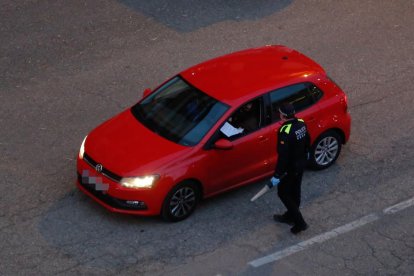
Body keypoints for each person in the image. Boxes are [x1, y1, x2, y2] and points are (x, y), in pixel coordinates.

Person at [270, 103, 310, 234]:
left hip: (291, 167)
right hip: (301, 163)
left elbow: (283, 157)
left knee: (283, 193)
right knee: (295, 190)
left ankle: (299, 222)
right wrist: (307, 152)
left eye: (279, 113)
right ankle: (290, 216)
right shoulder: (301, 122)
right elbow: (307, 139)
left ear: (283, 115)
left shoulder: (285, 131)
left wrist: (277, 175)